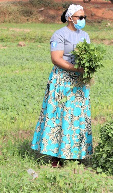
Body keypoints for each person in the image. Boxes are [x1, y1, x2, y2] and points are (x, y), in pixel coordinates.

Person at [31, 4, 93, 167]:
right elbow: (56, 58)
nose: (82, 20)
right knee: (60, 115)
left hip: (79, 81)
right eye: (80, 17)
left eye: (84, 17)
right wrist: (76, 69)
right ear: (69, 18)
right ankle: (55, 156)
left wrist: (87, 71)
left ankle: (77, 154)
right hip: (62, 81)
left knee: (77, 115)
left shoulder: (85, 35)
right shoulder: (59, 35)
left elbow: (88, 57)